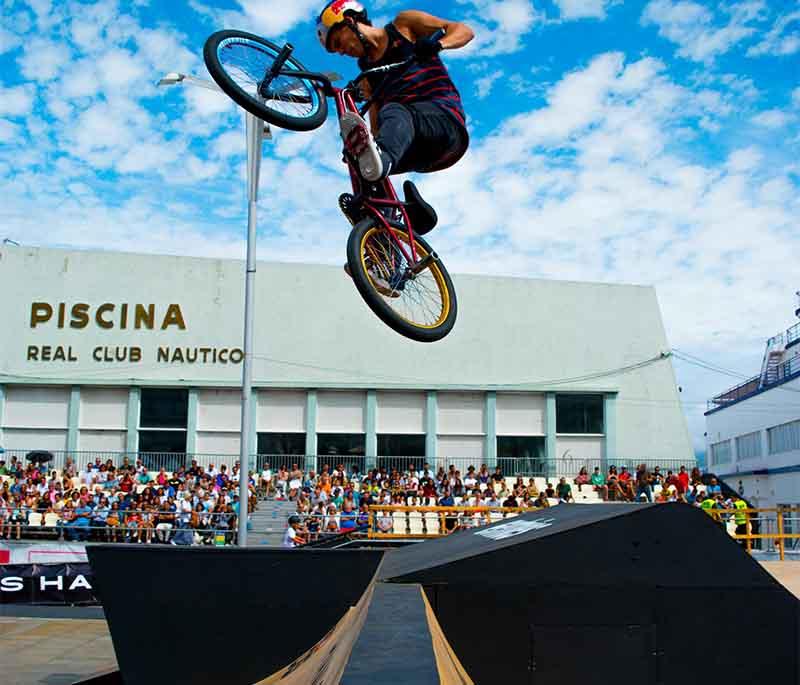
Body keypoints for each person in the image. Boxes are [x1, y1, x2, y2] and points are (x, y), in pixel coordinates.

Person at [317, 1, 473, 213]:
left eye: (337, 42)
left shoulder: (403, 25)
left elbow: (463, 31)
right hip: (420, 151)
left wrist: (438, 44)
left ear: (349, 21)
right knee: (362, 160)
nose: (341, 52)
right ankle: (396, 218)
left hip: (444, 122)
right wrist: (365, 149)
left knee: (393, 110)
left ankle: (384, 169)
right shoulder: (367, 71)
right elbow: (376, 126)